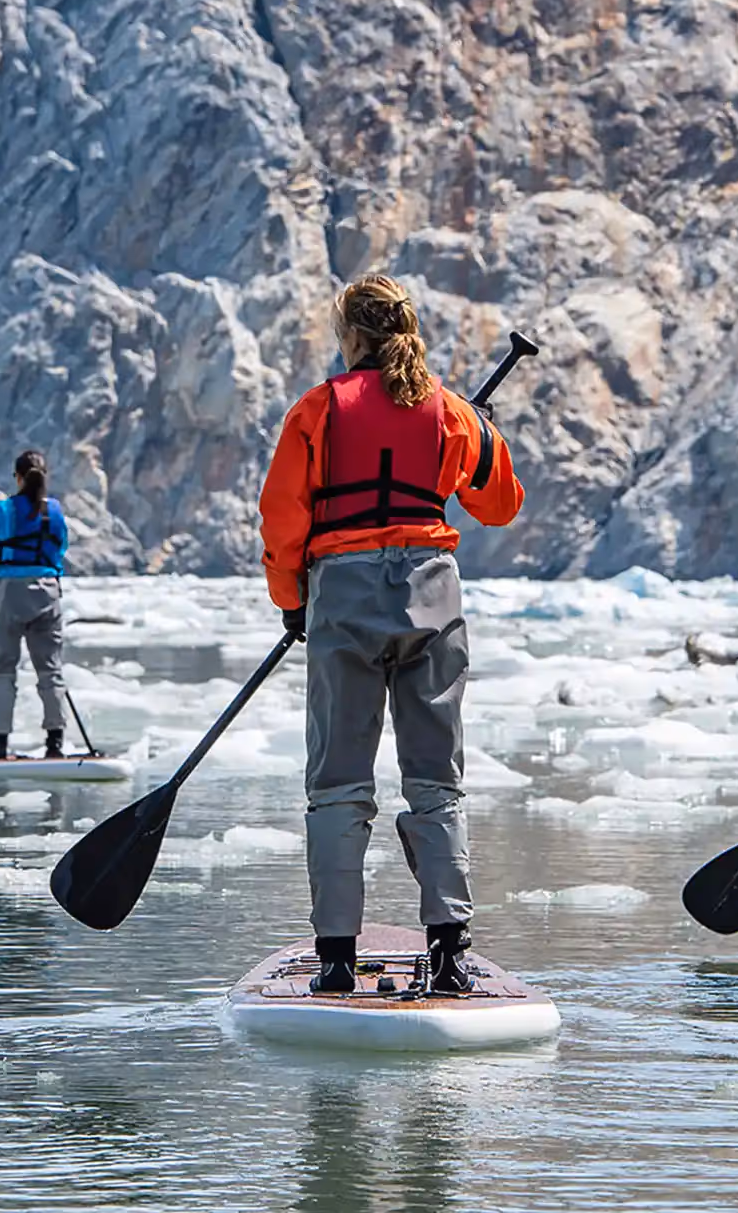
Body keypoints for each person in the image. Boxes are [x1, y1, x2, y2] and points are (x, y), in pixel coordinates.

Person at [257, 275, 525, 996]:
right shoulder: (449, 413)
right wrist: (485, 431)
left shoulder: (317, 410)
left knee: (337, 785)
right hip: (432, 594)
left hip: (342, 597)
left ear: (351, 336)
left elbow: (282, 519)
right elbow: (499, 504)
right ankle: (448, 954)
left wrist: (293, 603)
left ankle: (337, 959)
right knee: (437, 783)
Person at [0, 450, 71, 760]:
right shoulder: (55, 511)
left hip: (11, 592)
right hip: (48, 592)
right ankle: (55, 743)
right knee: (50, 670)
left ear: (18, 477)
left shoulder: (2, 510)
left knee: (3, 668)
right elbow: (60, 547)